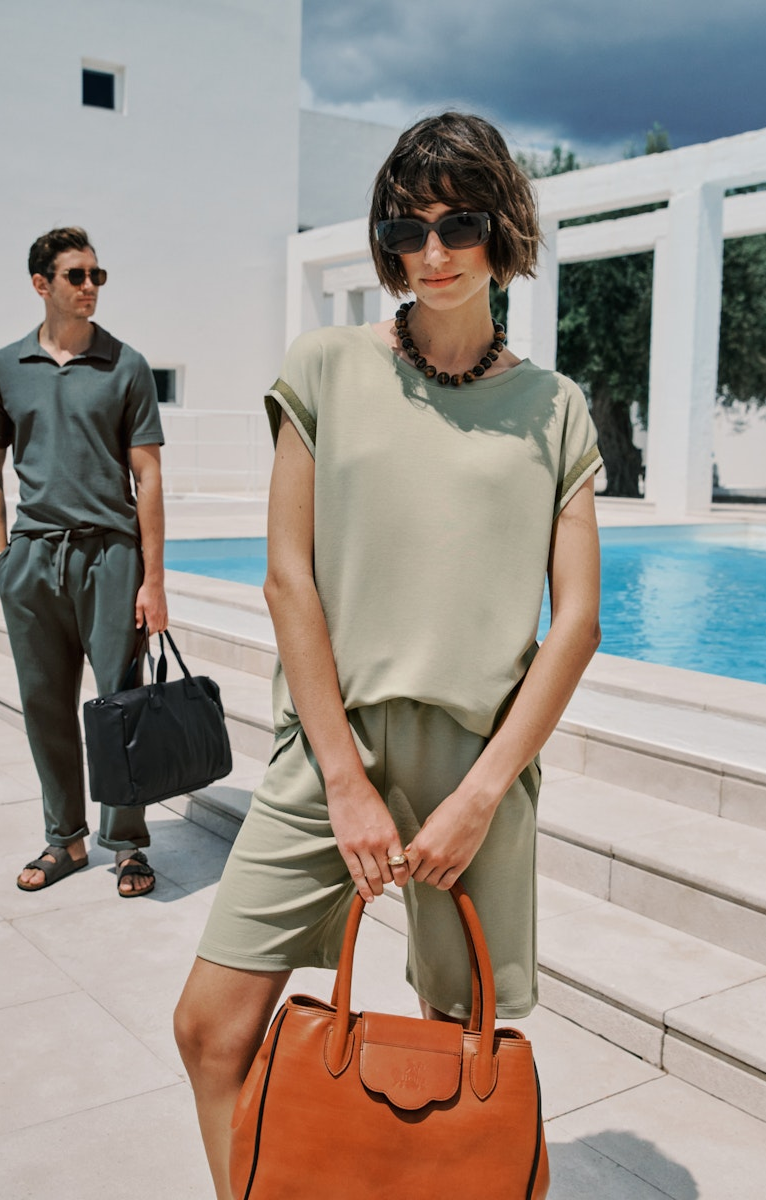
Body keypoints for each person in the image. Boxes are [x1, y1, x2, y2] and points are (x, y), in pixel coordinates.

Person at [174, 112, 602, 1195]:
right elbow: (288, 578)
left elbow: (579, 622)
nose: (433, 252)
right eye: (405, 230)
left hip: (479, 775)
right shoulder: (325, 367)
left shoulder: (557, 410)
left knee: (462, 1057)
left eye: (459, 222)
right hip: (330, 755)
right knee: (211, 1028)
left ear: (502, 226)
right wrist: (347, 781)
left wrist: (479, 797)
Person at [0, 226, 168, 898]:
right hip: (33, 561)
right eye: (76, 276)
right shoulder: (4, 367)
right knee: (44, 705)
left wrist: (154, 580)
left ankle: (127, 844)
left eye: (97, 276)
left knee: (121, 706)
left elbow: (149, 477)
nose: (90, 287)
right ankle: (67, 840)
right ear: (41, 284)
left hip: (110, 557)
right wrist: (3, 557)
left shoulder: (127, 365)